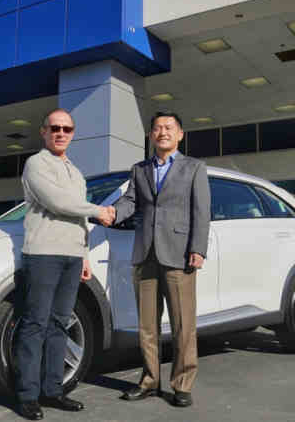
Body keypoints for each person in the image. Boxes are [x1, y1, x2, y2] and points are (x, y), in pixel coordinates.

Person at [13, 108, 115, 421]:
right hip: (43, 254)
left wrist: (83, 255)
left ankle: (53, 391)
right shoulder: (36, 164)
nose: (60, 133)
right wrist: (99, 210)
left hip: (71, 257)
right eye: (55, 128)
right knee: (35, 323)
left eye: (67, 129)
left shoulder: (76, 172)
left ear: (72, 134)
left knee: (60, 323)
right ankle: (27, 396)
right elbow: (57, 202)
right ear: (43, 131)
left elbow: (77, 219)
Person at [108, 111, 210, 408]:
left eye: (168, 127)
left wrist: (198, 248)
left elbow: (201, 212)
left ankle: (182, 383)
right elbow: (130, 201)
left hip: (179, 254)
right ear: (151, 136)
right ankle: (150, 380)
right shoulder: (139, 169)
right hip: (145, 253)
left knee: (182, 324)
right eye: (157, 128)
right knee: (147, 326)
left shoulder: (194, 168)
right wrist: (113, 213)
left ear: (180, 134)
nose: (162, 132)